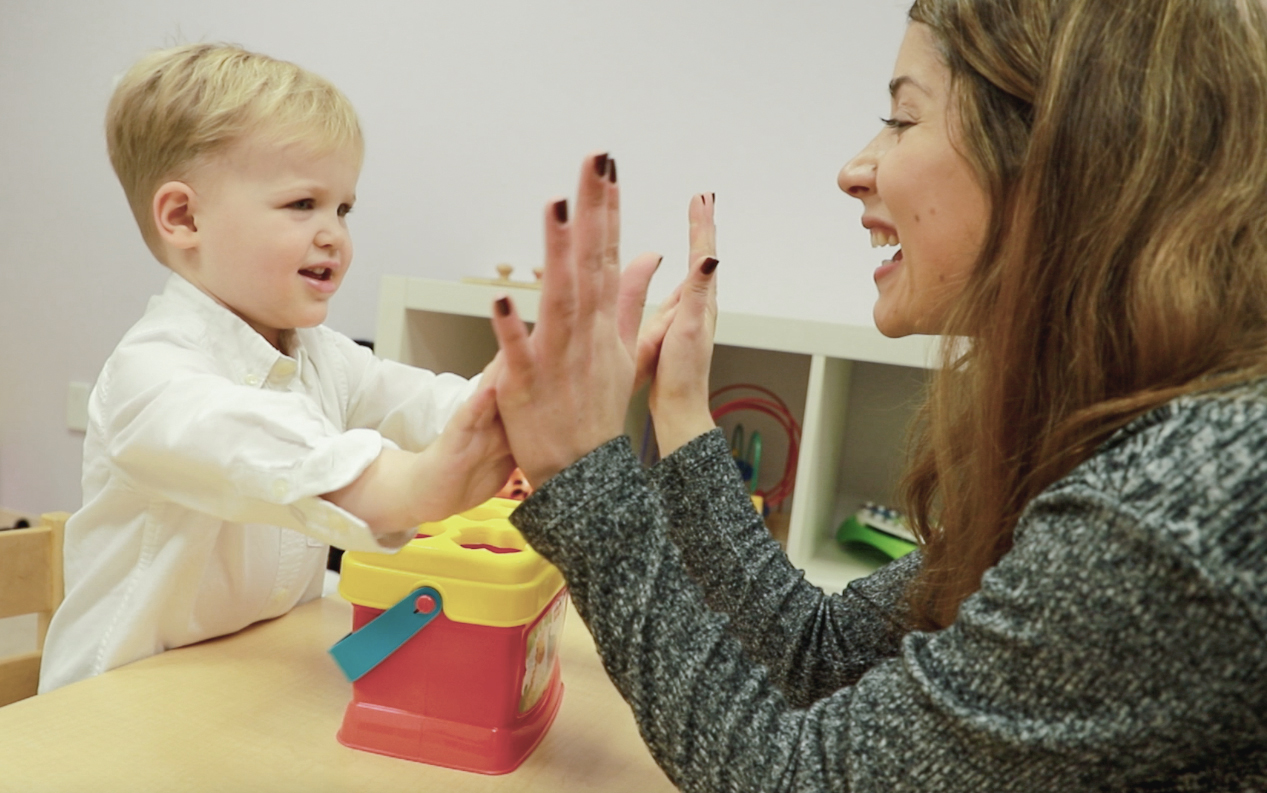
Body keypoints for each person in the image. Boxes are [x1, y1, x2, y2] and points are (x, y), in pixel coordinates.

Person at [483, 0, 1267, 789]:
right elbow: (819, 653)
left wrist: (584, 478)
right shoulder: (1126, 437)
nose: (854, 167)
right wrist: (681, 409)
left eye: (901, 118)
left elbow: (791, 777)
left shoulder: (1179, 507)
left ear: (1064, 157)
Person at [39, 44, 514, 693]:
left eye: (343, 208)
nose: (334, 235)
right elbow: (254, 443)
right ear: (183, 216)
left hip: (240, 689)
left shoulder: (323, 355)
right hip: (111, 712)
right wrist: (409, 483)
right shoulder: (149, 374)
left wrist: (517, 398)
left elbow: (425, 402)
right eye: (301, 205)